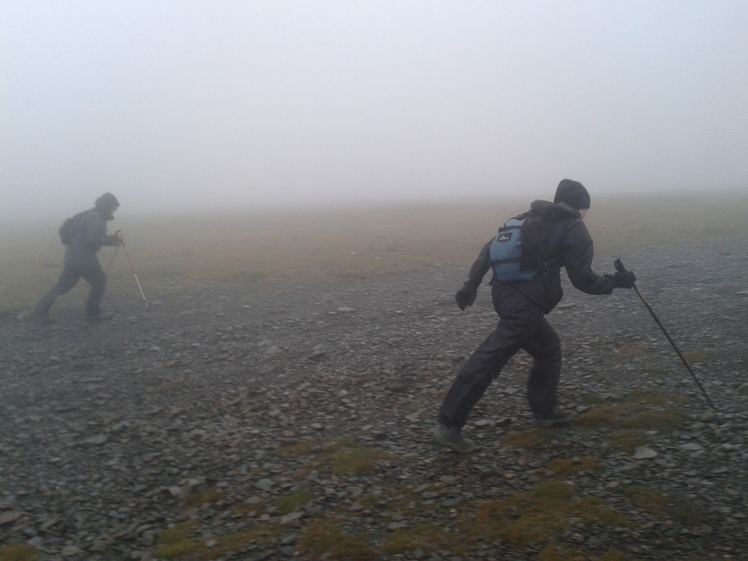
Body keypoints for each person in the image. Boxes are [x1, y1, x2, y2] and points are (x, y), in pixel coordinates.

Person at [433, 179, 636, 453]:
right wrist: (616, 282)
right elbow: (583, 280)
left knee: (548, 348)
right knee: (491, 357)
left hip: (503, 297)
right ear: (581, 207)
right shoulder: (573, 225)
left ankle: (545, 410)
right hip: (525, 304)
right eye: (587, 208)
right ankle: (449, 425)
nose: (586, 214)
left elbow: (488, 250)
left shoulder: (524, 218)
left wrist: (471, 285)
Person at [20, 193, 124, 322]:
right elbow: (94, 239)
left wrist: (111, 240)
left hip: (72, 256)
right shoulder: (96, 217)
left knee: (63, 286)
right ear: (107, 205)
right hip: (84, 258)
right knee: (99, 281)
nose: (115, 210)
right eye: (114, 207)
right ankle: (92, 315)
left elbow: (89, 237)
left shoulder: (88, 214)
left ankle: (39, 312)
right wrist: (114, 239)